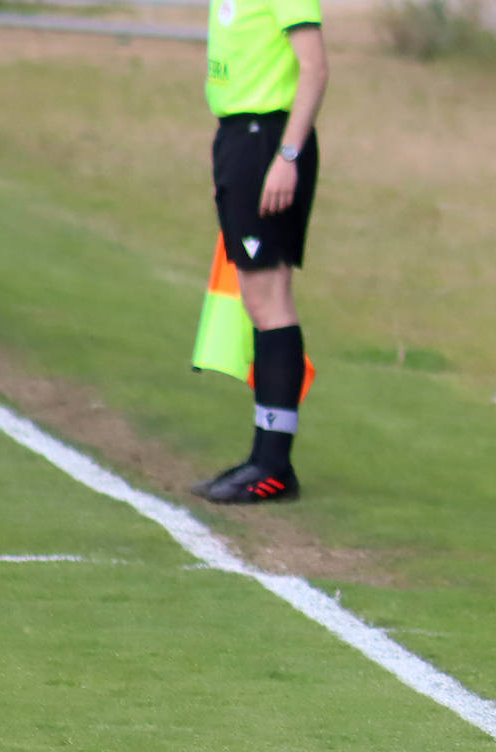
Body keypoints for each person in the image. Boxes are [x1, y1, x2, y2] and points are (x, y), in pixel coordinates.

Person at [190, 0, 328, 503]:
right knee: (257, 299)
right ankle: (264, 458)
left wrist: (286, 156)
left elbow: (314, 67)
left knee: (269, 300)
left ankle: (272, 466)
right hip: (239, 141)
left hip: (266, 138)